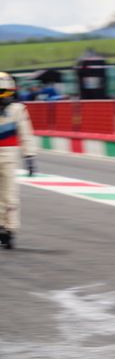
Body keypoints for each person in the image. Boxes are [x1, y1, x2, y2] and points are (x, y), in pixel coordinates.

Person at [0, 72, 36, 249]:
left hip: (9, 156)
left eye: (4, 92)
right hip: (7, 156)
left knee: (10, 195)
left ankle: (11, 229)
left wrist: (30, 156)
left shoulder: (18, 110)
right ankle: (1, 227)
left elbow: (26, 134)